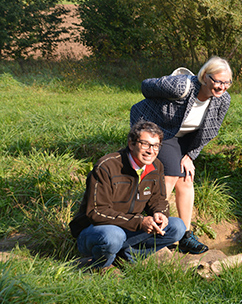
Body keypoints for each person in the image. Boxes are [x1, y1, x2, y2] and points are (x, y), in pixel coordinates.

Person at [129, 57, 232, 254]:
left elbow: (210, 131)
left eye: (227, 82)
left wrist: (190, 156)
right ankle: (154, 230)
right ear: (204, 77)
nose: (222, 87)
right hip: (159, 128)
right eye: (218, 81)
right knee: (170, 175)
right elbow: (145, 86)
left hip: (184, 136)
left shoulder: (223, 100)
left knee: (186, 178)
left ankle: (185, 235)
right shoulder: (181, 87)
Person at [69, 120, 186, 271]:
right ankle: (100, 265)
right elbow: (96, 212)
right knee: (114, 236)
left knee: (177, 227)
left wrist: (160, 214)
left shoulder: (157, 166)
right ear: (131, 144)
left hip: (129, 229)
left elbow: (158, 200)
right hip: (97, 230)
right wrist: (140, 222)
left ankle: (126, 257)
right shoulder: (106, 166)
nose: (151, 151)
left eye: (156, 146)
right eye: (145, 144)